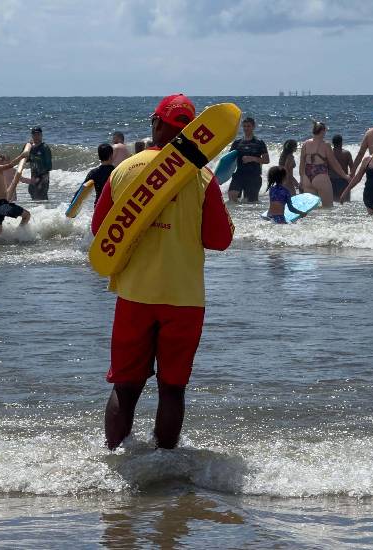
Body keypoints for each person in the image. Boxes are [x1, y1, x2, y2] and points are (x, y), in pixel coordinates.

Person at [90, 94, 235, 450]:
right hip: (184, 298)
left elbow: (100, 230)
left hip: (135, 295)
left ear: (155, 124)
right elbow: (219, 240)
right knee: (172, 387)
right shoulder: (202, 177)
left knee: (125, 387)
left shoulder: (125, 169)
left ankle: (117, 465)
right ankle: (165, 467)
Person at [298, 122, 350, 208]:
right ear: (322, 131)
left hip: (306, 177)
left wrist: (301, 179)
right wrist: (345, 176)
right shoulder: (326, 145)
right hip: (320, 176)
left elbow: (302, 163)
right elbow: (334, 163)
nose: (326, 132)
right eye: (325, 130)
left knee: (311, 209)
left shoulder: (305, 144)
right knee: (328, 207)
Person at [0, 149, 31, 239]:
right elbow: (10, 165)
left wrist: (14, 182)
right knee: (27, 215)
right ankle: (18, 234)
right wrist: (22, 156)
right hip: (2, 206)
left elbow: (4, 193)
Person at [228, 117, 269, 203]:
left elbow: (266, 160)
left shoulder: (259, 142)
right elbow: (229, 158)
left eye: (248, 126)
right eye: (244, 126)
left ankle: (247, 216)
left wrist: (252, 158)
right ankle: (236, 215)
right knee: (232, 196)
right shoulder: (237, 143)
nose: (246, 128)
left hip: (254, 176)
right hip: (239, 174)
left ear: (253, 127)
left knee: (249, 202)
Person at [23, 126, 52, 200]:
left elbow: (49, 166)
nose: (36, 137)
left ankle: (46, 210)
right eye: (34, 135)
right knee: (32, 192)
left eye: (38, 134)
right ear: (32, 135)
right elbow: (24, 159)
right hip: (33, 176)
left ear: (41, 135)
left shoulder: (44, 147)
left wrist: (40, 178)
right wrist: (26, 147)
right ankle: (38, 211)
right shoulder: (30, 148)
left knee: (42, 196)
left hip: (43, 177)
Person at [330, 134, 354, 202]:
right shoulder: (346, 153)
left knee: (333, 203)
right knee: (345, 203)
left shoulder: (329, 153)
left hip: (331, 181)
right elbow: (352, 169)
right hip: (344, 181)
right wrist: (351, 180)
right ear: (341, 142)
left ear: (332, 143)